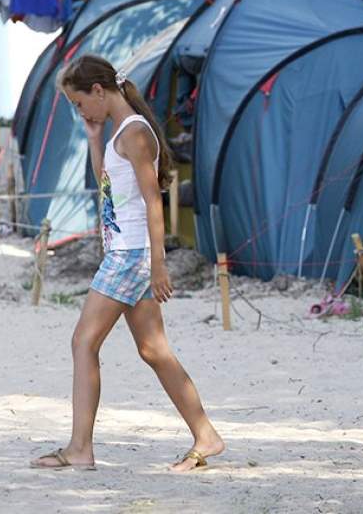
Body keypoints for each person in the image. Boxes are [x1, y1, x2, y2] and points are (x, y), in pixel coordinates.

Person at [31, 55, 224, 472]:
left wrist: (159, 264)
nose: (80, 110)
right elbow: (108, 183)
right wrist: (93, 136)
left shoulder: (136, 134)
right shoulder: (121, 131)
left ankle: (80, 448)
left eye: (80, 103)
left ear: (99, 91)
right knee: (154, 350)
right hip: (129, 252)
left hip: (131, 255)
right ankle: (206, 435)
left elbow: (154, 200)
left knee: (83, 342)